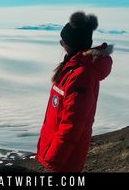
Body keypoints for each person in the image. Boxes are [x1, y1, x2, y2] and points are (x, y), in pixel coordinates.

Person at [36, 11, 113, 172]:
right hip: (59, 153)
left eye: (62, 41)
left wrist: (54, 159)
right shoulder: (72, 68)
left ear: (72, 44)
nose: (61, 44)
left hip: (64, 160)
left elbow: (72, 124)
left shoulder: (81, 75)